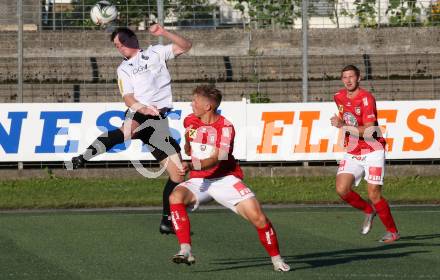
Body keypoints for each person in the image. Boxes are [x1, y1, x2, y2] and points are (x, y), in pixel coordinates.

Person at [66, 24, 192, 235]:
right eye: (116, 45)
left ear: (133, 38)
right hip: (140, 112)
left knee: (178, 174)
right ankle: (85, 156)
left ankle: (166, 221)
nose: (120, 46)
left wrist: (164, 33)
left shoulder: (155, 52)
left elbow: (186, 46)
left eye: (122, 41)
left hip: (159, 121)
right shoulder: (123, 69)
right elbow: (128, 97)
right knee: (127, 131)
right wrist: (142, 107)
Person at [168, 85, 290, 272]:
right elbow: (188, 136)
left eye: (195, 101)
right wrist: (187, 148)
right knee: (175, 197)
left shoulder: (225, 128)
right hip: (199, 181)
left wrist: (192, 165)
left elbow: (218, 158)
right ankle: (185, 250)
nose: (191, 104)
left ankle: (277, 259)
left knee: (259, 219)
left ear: (208, 106)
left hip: (225, 179)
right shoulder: (190, 120)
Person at [330, 65, 399, 243]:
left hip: (373, 149)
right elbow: (347, 116)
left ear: (359, 78)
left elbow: (369, 130)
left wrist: (341, 125)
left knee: (374, 194)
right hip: (353, 149)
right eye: (345, 77)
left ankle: (392, 232)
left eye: (351, 77)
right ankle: (369, 210)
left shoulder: (367, 98)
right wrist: (341, 121)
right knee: (341, 189)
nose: (348, 80)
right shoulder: (338, 97)